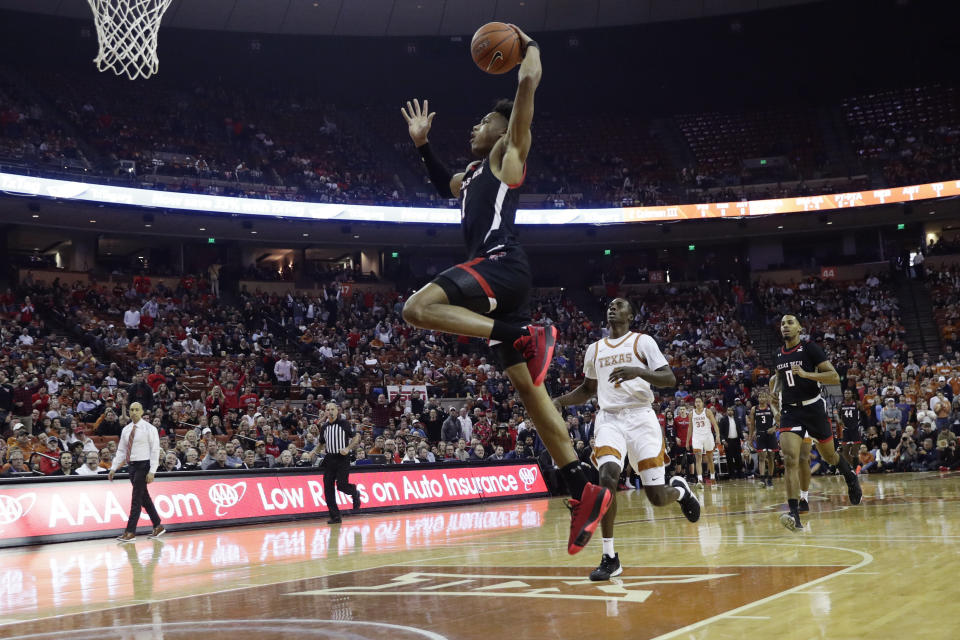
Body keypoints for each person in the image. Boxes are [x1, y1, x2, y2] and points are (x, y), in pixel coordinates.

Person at [399, 25, 610, 555]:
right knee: (532, 397)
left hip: (502, 264)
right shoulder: (471, 174)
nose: (475, 126)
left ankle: (523, 333)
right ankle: (582, 487)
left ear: (499, 130)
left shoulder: (506, 154)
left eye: (482, 121)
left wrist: (525, 43)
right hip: (502, 278)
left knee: (418, 308)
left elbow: (528, 85)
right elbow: (442, 181)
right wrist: (423, 147)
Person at [552, 298, 700, 580]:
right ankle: (610, 557)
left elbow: (669, 379)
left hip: (642, 418)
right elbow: (587, 389)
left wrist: (637, 372)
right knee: (607, 477)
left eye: (619, 306)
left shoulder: (643, 342)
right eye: (609, 305)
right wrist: (558, 401)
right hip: (609, 419)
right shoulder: (594, 349)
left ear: (631, 315)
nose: (612, 308)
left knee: (657, 498)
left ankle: (680, 491)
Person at [770, 315, 861, 532]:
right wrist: (775, 392)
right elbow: (779, 377)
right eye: (782, 323)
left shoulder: (810, 348)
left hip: (813, 408)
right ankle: (794, 514)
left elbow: (833, 376)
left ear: (800, 328)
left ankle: (849, 475)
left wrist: (806, 374)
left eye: (790, 323)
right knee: (791, 459)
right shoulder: (778, 353)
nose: (785, 326)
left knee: (829, 456)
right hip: (791, 411)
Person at [109, 402, 165, 542]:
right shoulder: (126, 429)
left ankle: (130, 531)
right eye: (131, 410)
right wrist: (113, 467)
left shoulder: (149, 428)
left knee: (136, 499)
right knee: (144, 498)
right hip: (131, 466)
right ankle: (158, 526)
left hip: (143, 465)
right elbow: (121, 450)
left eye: (136, 409)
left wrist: (152, 471)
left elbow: (155, 450)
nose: (134, 412)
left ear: (141, 411)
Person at [318, 402, 362, 524]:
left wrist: (348, 448)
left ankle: (354, 492)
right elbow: (321, 443)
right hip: (329, 458)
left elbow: (356, 437)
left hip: (342, 458)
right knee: (328, 488)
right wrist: (311, 453)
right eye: (327, 409)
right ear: (325, 412)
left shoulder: (344, 423)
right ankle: (335, 516)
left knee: (342, 485)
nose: (330, 411)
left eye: (332, 409)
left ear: (337, 411)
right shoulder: (324, 427)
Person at [687, 397, 721, 485]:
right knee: (698, 458)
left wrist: (717, 435)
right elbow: (690, 428)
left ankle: (712, 477)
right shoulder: (691, 414)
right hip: (697, 437)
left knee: (710, 458)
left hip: (707, 436)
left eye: (699, 402)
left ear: (702, 403)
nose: (697, 403)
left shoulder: (707, 411)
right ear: (694, 404)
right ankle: (700, 479)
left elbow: (715, 424)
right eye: (696, 402)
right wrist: (687, 441)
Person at [749, 390, 778, 488]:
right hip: (760, 435)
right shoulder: (754, 409)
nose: (762, 399)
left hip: (770, 435)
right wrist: (750, 438)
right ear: (758, 398)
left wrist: (774, 428)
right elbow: (752, 425)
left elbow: (779, 420)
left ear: (767, 398)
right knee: (761, 457)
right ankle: (762, 479)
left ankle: (770, 479)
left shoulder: (771, 408)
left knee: (771, 457)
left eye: (763, 397)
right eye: (760, 397)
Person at [835, 389, 864, 467]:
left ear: (852, 394)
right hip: (846, 429)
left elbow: (864, 414)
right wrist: (839, 420)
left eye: (848, 393)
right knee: (844, 451)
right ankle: (854, 466)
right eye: (845, 393)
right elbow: (836, 414)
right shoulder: (841, 404)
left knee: (855, 451)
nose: (846, 394)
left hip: (855, 428)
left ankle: (856, 467)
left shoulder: (858, 403)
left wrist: (865, 426)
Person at [720, 406, 744, 479]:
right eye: (728, 410)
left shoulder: (737, 419)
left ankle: (740, 474)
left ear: (733, 411)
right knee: (729, 459)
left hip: (737, 441)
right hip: (728, 441)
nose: (729, 411)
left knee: (738, 458)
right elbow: (721, 432)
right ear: (727, 411)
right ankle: (732, 475)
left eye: (731, 410)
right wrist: (723, 441)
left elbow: (740, 430)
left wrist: (743, 438)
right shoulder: (723, 420)